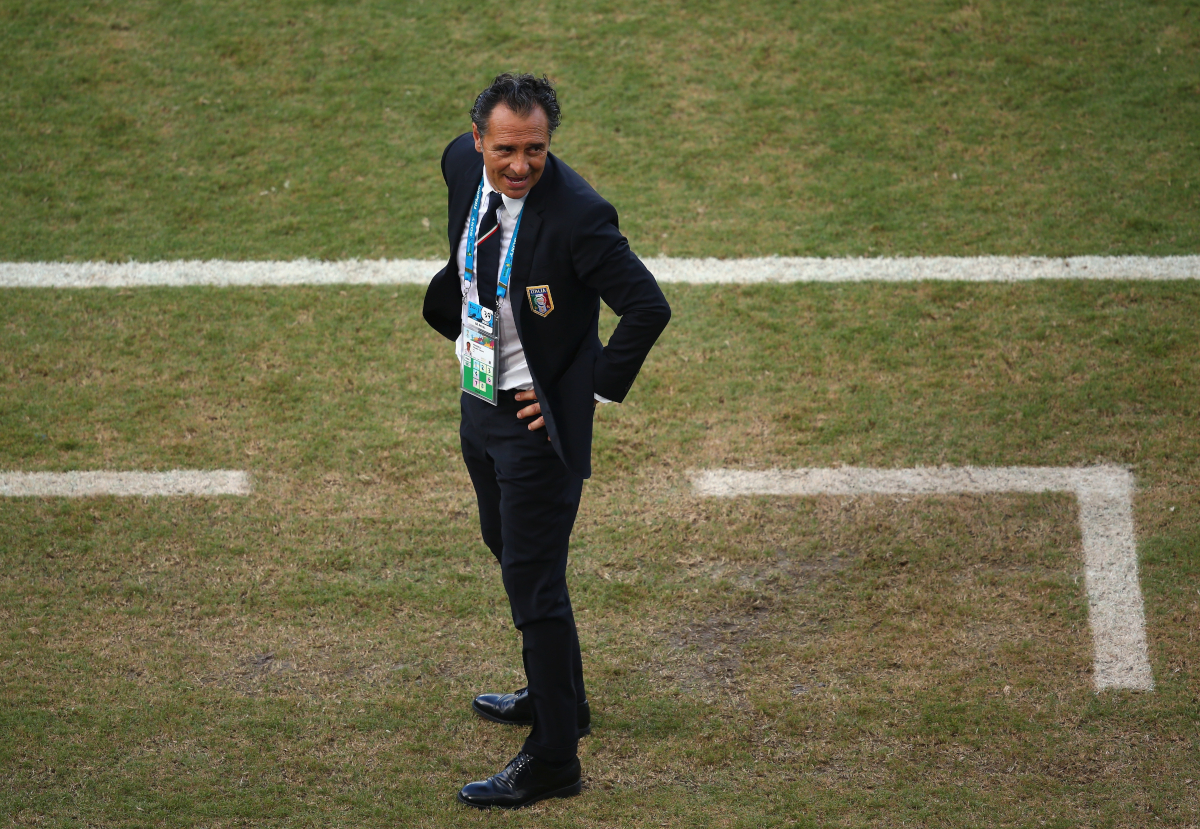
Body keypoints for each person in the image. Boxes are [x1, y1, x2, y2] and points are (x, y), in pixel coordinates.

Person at [422, 73, 671, 809]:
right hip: (480, 396)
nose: (520, 165)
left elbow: (647, 307)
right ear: (478, 141)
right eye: (505, 149)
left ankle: (556, 756)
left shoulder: (579, 216)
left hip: (537, 431)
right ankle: (563, 695)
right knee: (506, 547)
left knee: (533, 586)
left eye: (535, 149)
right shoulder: (461, 165)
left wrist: (580, 394)